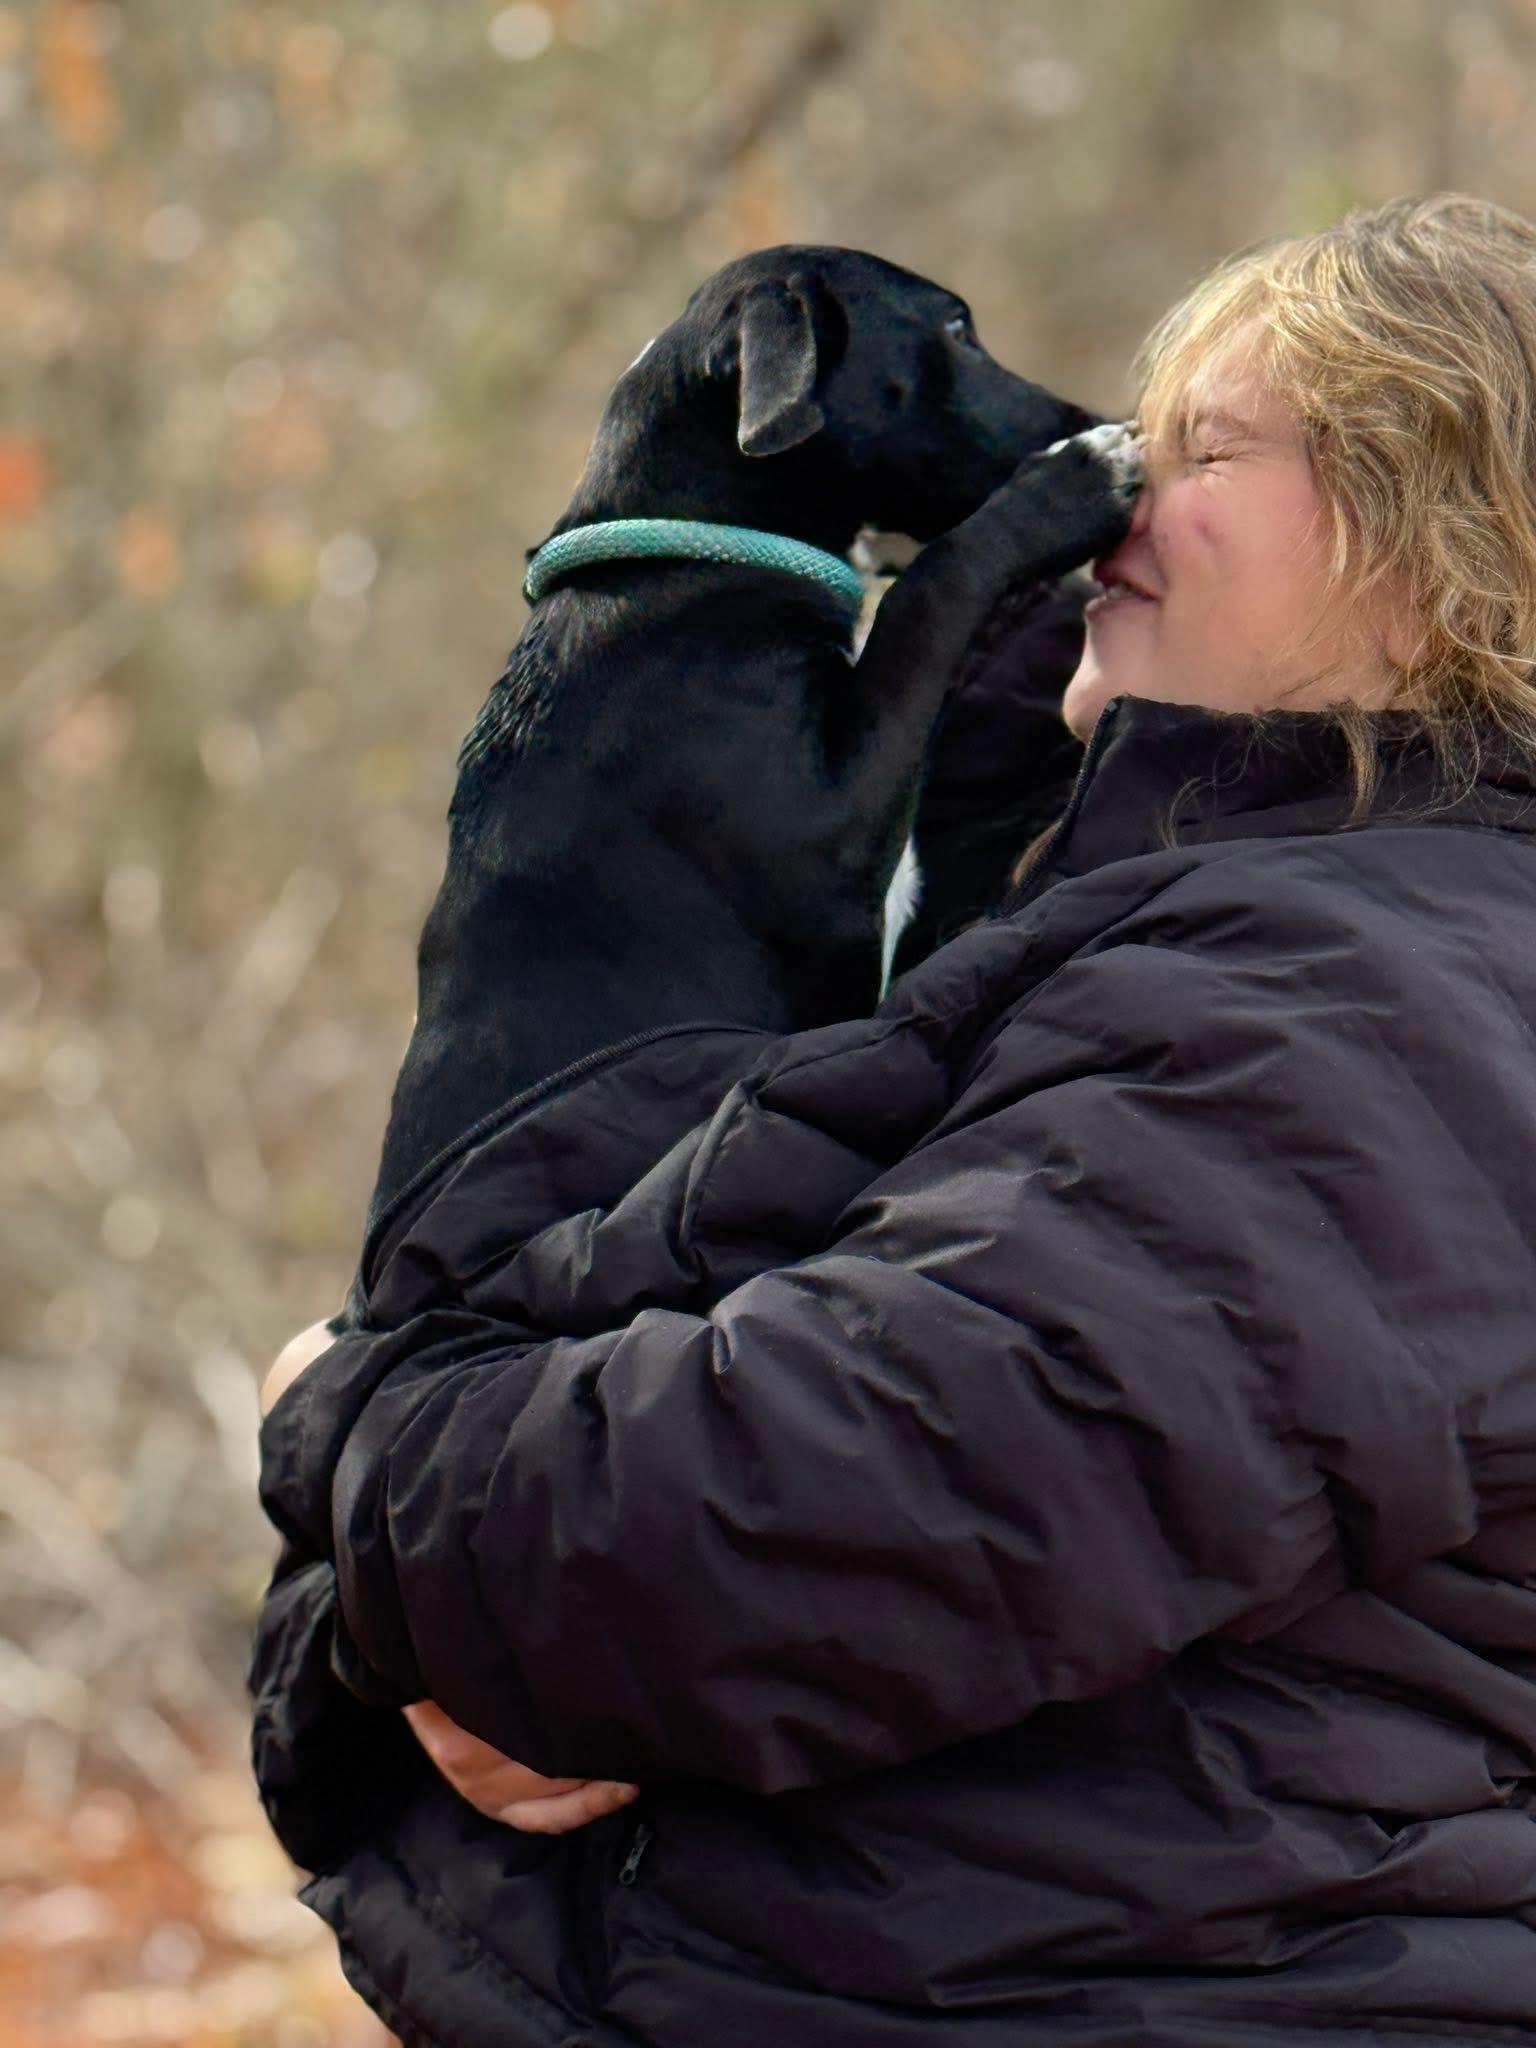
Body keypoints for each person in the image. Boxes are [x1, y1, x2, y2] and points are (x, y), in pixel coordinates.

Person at [251, 194, 1536, 2047]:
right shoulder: (1265, 949)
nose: (1108, 489)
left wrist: (343, 1429)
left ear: (1436, 547)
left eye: (1204, 451)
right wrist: (415, 1617)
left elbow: (759, 1536)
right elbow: (641, 1311)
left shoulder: (1362, 1014)